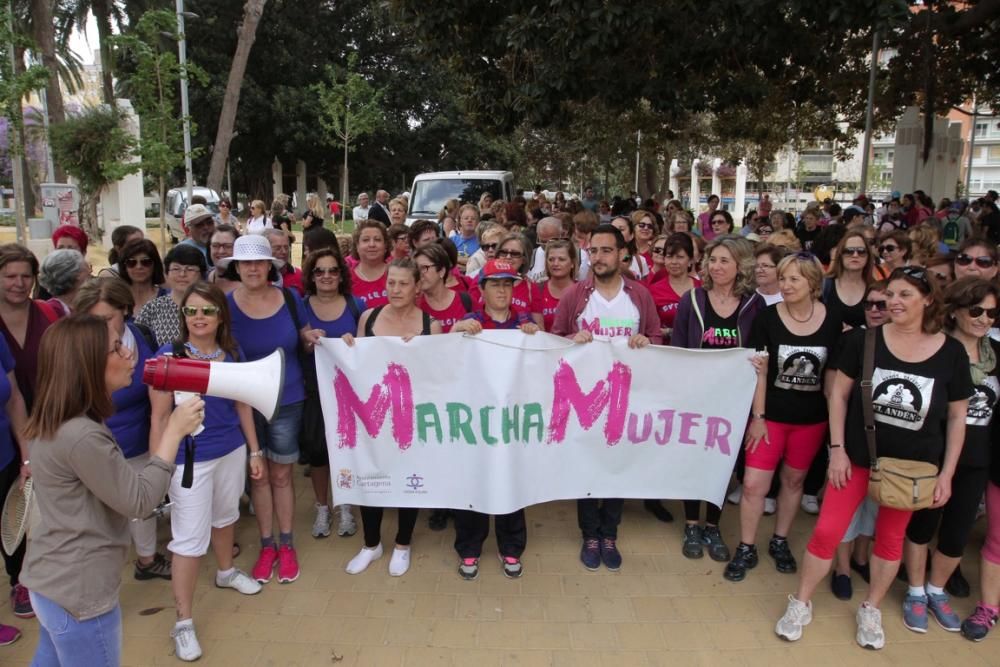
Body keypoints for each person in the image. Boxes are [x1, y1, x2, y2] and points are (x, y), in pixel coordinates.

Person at [776, 266, 972, 650]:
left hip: (912, 468)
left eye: (905, 296)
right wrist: (837, 450)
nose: (893, 303)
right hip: (857, 459)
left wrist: (946, 474)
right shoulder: (864, 341)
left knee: (889, 540)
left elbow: (957, 417)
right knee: (827, 532)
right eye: (890, 295)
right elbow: (838, 396)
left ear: (928, 300)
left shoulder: (950, 353)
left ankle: (872, 607)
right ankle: (801, 601)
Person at [20, 315, 202, 667]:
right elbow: (139, 501)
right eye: (116, 348)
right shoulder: (82, 434)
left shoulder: (63, 418)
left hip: (53, 583)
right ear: (87, 364)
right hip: (80, 593)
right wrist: (173, 432)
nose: (129, 354)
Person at [146, 282, 265, 661]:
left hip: (230, 450)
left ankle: (226, 572)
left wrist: (254, 450)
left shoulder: (231, 353)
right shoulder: (169, 356)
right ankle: (183, 621)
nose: (199, 317)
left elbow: (243, 406)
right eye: (191, 311)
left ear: (220, 316)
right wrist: (156, 470)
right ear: (183, 317)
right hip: (188, 461)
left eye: (207, 311)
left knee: (225, 516)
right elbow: (159, 416)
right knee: (188, 541)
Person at [550, 223, 662, 572]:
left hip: (626, 399)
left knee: (616, 466)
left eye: (606, 250)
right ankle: (590, 534)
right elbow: (555, 340)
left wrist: (647, 342)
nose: (598, 257)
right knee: (587, 465)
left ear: (621, 253)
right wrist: (573, 337)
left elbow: (657, 335)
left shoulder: (639, 295)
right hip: (584, 402)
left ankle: (609, 532)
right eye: (593, 251)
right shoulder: (575, 295)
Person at [726, 254, 841, 583]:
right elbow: (759, 372)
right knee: (753, 486)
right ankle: (746, 546)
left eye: (794, 280)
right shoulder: (767, 318)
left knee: (793, 483)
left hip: (811, 420)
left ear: (813, 284)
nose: (786, 285)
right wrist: (758, 416)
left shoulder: (831, 321)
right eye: (784, 278)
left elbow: (832, 377)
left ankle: (779, 540)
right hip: (770, 417)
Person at [900, 277, 1000, 634]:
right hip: (935, 455)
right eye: (976, 310)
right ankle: (914, 591)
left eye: (991, 312)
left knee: (957, 533)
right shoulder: (937, 349)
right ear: (956, 311)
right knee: (922, 526)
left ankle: (936, 590)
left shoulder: (996, 355)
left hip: (977, 460)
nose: (984, 319)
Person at [220, 235, 320, 586]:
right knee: (258, 476)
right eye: (244, 262)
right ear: (236, 267)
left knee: (281, 475)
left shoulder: (291, 299)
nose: (251, 268)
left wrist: (314, 341)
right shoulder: (225, 305)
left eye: (258, 262)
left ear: (269, 266)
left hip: (287, 399)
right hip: (243, 404)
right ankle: (267, 544)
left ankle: (287, 543)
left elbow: (305, 340)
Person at [344, 259, 442, 577]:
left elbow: (438, 376)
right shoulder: (368, 317)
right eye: (391, 283)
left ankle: (403, 543)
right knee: (371, 475)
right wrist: (345, 347)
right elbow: (355, 364)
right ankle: (371, 544)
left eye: (403, 284)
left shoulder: (431, 325)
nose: (395, 289)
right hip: (373, 417)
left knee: (408, 479)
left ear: (417, 288)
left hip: (410, 418)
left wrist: (423, 350)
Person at [672, 236, 764, 562]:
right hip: (697, 399)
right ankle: (692, 523)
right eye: (713, 260)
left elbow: (759, 351)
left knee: (723, 465)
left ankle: (713, 524)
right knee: (693, 461)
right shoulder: (692, 300)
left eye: (725, 260)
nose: (717, 266)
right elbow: (679, 350)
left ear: (740, 265)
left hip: (733, 402)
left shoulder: (754, 305)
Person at [76, 278, 173, 584]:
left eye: (106, 318)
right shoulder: (79, 348)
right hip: (99, 445)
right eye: (92, 320)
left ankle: (146, 559)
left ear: (125, 311)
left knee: (141, 505)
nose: (100, 327)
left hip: (140, 437)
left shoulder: (141, 336)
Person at [448, 259, 537, 581]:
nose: (502, 290)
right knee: (473, 480)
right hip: (477, 421)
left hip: (512, 422)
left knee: (511, 480)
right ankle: (469, 546)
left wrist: (535, 338)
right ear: (482, 289)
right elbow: (441, 357)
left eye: (507, 284)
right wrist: (455, 331)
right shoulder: (471, 321)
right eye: (495, 284)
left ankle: (511, 545)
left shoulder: (524, 323)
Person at [830, 281, 889, 601]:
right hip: (851, 438)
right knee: (846, 511)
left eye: (882, 304)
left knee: (874, 508)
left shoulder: (905, 345)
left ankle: (861, 558)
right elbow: (836, 391)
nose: (876, 310)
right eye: (869, 305)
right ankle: (841, 568)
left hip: (888, 445)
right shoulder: (853, 340)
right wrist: (835, 444)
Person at [300, 247, 363, 539]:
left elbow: (368, 347)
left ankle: (346, 504)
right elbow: (292, 345)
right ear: (311, 276)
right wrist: (306, 343)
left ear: (341, 275)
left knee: (347, 448)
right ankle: (322, 507)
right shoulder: (300, 306)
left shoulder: (355, 305)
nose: (326, 276)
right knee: (317, 451)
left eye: (332, 270)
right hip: (313, 389)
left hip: (348, 393)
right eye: (319, 271)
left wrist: (354, 343)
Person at [0, 329, 28, 644]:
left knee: (11, 527)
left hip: (4, 455)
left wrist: (26, 454)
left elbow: (15, 395)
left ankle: (19, 583)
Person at [136, 245, 207, 348]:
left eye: (190, 269)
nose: (182, 274)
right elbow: (138, 344)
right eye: (176, 269)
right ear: (166, 273)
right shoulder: (153, 308)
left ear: (202, 274)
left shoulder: (211, 307)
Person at [646, 233, 699, 343]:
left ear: (690, 260)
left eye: (680, 257)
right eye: (669, 256)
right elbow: (649, 329)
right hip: (665, 353)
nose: (674, 262)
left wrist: (670, 332)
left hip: (697, 353)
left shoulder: (703, 288)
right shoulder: (653, 290)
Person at [416, 244, 474, 333]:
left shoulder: (466, 300)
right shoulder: (414, 305)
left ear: (442, 271)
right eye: (416, 269)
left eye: (424, 268)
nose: (420, 274)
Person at [823, 230, 874, 330]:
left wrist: (859, 330)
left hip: (861, 344)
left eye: (861, 251)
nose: (855, 255)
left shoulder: (874, 288)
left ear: (868, 256)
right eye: (849, 251)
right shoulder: (824, 285)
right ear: (840, 255)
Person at [494, 234, 544, 328]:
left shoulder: (531, 288)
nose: (508, 257)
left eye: (515, 254)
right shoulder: (481, 280)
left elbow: (540, 329)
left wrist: (533, 328)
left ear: (524, 260)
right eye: (504, 252)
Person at [118, 239, 167, 314]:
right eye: (131, 262)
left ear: (155, 265)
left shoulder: (169, 299)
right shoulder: (116, 299)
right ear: (124, 267)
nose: (139, 267)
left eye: (146, 262)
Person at [37, 249, 91, 317]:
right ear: (77, 274)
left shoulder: (85, 306)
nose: (90, 272)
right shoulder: (51, 312)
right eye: (87, 268)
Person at [350, 220, 390, 309]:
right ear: (357, 246)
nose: (372, 244)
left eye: (377, 239)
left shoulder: (398, 273)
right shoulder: (346, 278)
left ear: (385, 246)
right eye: (366, 240)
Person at [540, 239, 577, 332]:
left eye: (561, 259)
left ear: (572, 263)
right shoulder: (536, 290)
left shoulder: (584, 291)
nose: (555, 264)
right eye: (551, 259)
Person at [262, 228, 303, 296]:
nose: (284, 252)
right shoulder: (258, 277)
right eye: (278, 248)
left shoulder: (299, 276)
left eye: (286, 247)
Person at [206, 224, 240, 294]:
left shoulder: (247, 284)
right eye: (215, 245)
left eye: (228, 246)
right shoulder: (204, 278)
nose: (221, 251)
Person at [451, 204, 481, 269]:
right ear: (460, 221)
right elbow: (445, 260)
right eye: (466, 218)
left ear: (478, 222)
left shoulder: (482, 242)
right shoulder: (452, 240)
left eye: (473, 218)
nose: (469, 220)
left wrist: (454, 259)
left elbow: (481, 263)